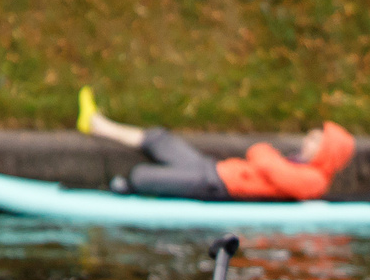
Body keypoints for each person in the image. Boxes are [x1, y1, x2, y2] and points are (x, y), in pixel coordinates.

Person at [76, 86, 354, 202]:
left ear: (328, 153)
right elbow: (265, 162)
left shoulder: (314, 181)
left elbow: (262, 155)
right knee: (160, 138)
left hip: (213, 185)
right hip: (212, 169)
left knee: (139, 176)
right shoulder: (299, 166)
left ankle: (127, 190)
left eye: (317, 140)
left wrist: (264, 154)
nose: (308, 139)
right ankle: (97, 124)